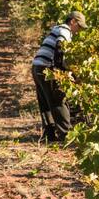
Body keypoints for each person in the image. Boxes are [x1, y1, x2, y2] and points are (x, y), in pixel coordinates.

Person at [32, 10, 87, 143]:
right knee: (58, 100)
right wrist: (66, 71)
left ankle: (49, 136)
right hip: (47, 68)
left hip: (37, 67)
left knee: (45, 102)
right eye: (78, 27)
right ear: (72, 21)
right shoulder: (64, 30)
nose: (78, 31)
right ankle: (66, 136)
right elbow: (59, 50)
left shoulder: (56, 29)